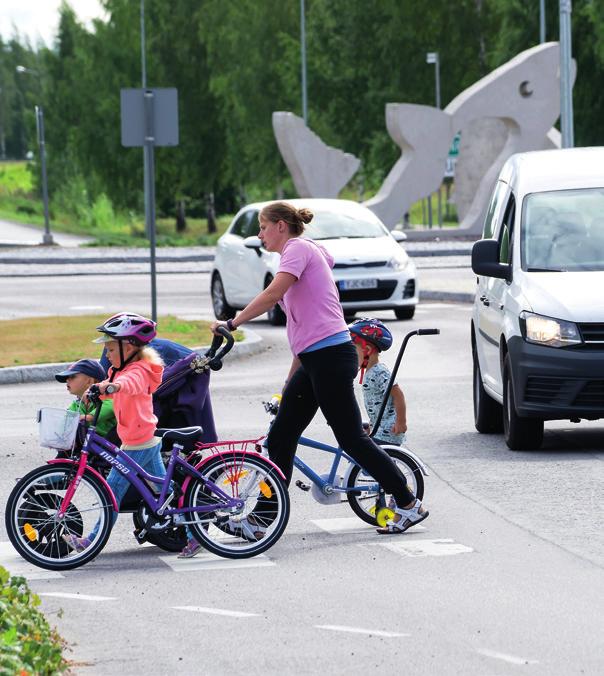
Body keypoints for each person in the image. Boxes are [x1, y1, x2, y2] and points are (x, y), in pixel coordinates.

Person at [211, 201, 428, 535]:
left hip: (330, 357)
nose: (260, 235)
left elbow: (272, 295)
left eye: (263, 227)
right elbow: (305, 327)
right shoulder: (308, 252)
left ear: (281, 226)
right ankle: (264, 520)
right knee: (280, 437)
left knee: (351, 439)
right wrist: (290, 380)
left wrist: (233, 321)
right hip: (315, 358)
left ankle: (407, 502)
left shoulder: (296, 249)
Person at [62, 312, 166, 552]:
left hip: (139, 442)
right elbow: (112, 388)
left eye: (110, 349)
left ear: (127, 346)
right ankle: (193, 531)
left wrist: (113, 385)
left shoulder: (138, 370)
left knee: (112, 492)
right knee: (164, 492)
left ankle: (89, 542)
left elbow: (128, 384)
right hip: (138, 438)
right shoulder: (120, 369)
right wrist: (97, 391)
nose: (106, 355)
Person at [349, 318, 407, 446]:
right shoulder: (370, 371)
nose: (351, 355)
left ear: (367, 350)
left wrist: (401, 421)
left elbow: (398, 394)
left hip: (388, 431)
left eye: (353, 350)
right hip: (379, 429)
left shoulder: (380, 372)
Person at [54, 358, 116, 442]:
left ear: (89, 381)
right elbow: (67, 420)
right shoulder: (76, 405)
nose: (67, 380)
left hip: (108, 443)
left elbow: (111, 405)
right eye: (67, 378)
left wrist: (90, 416)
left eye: (72, 376)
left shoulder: (102, 398)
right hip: (87, 443)